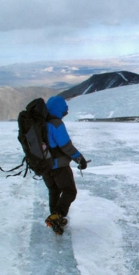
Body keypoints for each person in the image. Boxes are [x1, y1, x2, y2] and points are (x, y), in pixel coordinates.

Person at [43, 96, 87, 234]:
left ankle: (55, 217)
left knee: (54, 191)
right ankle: (57, 216)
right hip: (58, 167)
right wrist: (79, 159)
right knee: (70, 191)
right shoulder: (56, 124)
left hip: (44, 166)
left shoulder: (41, 123)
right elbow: (66, 146)